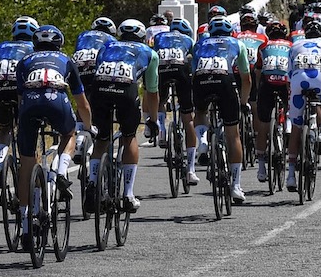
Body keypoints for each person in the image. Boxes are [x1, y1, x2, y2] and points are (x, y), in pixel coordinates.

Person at [9, 24, 89, 241]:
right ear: (59, 45)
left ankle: (26, 227)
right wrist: (88, 127)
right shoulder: (66, 60)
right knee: (68, 134)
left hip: (29, 104)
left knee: (26, 163)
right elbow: (81, 102)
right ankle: (62, 172)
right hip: (57, 100)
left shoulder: (24, 61)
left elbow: (20, 97)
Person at [87, 20, 158, 214]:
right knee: (129, 137)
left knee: (102, 139)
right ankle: (128, 194)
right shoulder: (149, 53)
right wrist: (153, 119)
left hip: (99, 90)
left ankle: (92, 182)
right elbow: (152, 91)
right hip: (126, 90)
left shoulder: (106, 47)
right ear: (142, 36)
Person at [188, 15, 253, 202]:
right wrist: (243, 102)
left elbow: (194, 72)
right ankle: (236, 186)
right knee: (233, 135)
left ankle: (202, 140)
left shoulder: (199, 44)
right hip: (225, 81)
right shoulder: (236, 43)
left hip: (202, 80)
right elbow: (246, 78)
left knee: (200, 112)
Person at [0, 17, 39, 190]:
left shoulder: (0, 47)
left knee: (4, 128)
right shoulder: (33, 48)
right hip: (18, 87)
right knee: (28, 127)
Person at [287, 15, 321, 157]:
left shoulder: (295, 46)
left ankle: (291, 175)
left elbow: (289, 74)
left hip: (298, 81)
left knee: (296, 127)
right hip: (320, 79)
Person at [252, 20, 293, 187]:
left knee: (263, 124)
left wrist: (257, 88)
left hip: (267, 84)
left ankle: (261, 168)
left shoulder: (263, 46)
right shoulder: (291, 45)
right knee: (292, 106)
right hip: (285, 83)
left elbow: (258, 71)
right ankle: (289, 124)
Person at [148, 15, 195, 160]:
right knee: (188, 117)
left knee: (161, 100)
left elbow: (152, 52)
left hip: (161, 70)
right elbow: (194, 60)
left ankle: (161, 128)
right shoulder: (188, 40)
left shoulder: (158, 37)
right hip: (181, 70)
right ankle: (191, 168)